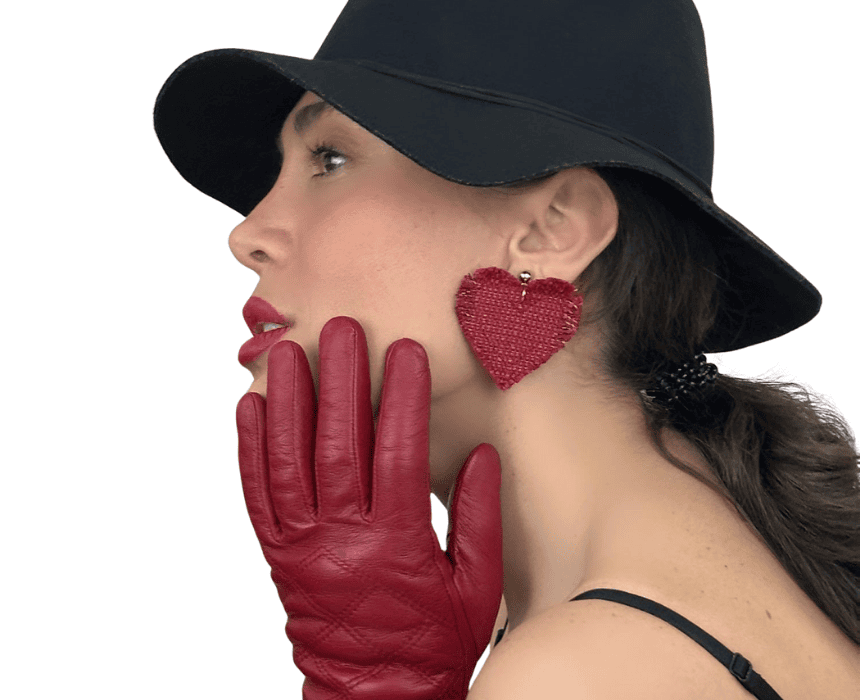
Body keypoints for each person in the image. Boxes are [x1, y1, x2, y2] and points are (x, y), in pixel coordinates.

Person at [154, 0, 860, 697]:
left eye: (330, 158)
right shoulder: (649, 584)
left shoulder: (582, 673)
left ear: (551, 229)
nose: (247, 235)